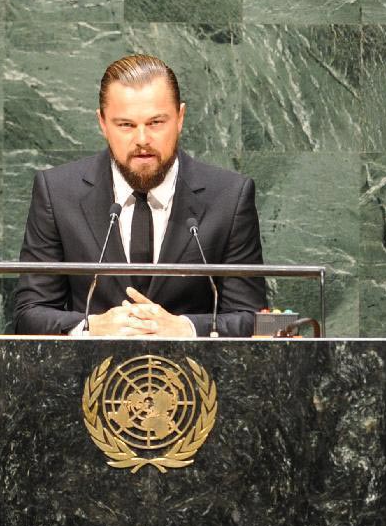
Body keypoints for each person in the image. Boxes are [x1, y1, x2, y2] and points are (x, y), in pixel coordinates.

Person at [13, 54, 267, 337]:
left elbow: (252, 318)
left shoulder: (229, 197)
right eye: (126, 125)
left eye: (156, 122)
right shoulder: (58, 193)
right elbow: (30, 314)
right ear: (102, 123)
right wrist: (90, 326)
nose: (142, 140)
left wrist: (186, 328)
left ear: (180, 118)